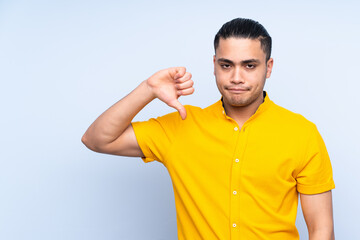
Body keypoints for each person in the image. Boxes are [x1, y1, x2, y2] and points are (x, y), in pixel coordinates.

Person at [82, 18, 335, 240]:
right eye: (226, 65)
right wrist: (148, 89)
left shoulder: (302, 133)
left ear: (268, 67)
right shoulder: (180, 126)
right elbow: (96, 139)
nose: (236, 77)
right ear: (214, 65)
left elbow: (321, 230)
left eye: (249, 65)